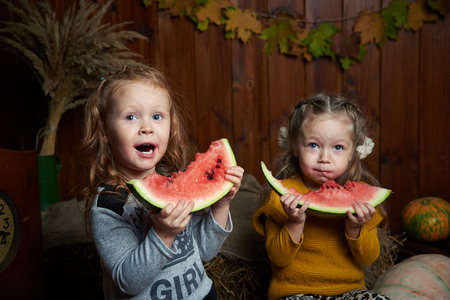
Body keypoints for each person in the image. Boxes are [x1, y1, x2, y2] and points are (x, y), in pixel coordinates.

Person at [79, 64, 244, 300]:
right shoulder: (109, 207)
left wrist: (221, 204)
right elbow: (128, 282)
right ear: (105, 130)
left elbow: (206, 251)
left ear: (171, 126)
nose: (146, 128)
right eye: (131, 117)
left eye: (157, 116)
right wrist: (163, 234)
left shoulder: (173, 182)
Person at [252, 93, 390, 300]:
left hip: (349, 293)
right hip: (295, 293)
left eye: (338, 147)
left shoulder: (361, 203)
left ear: (354, 152)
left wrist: (355, 229)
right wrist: (294, 222)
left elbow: (368, 258)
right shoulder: (280, 198)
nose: (324, 158)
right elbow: (278, 259)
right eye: (313, 145)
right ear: (295, 146)